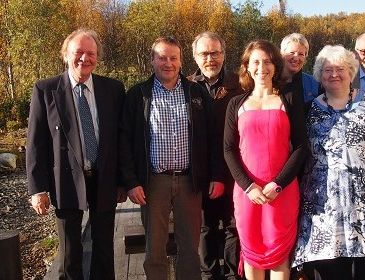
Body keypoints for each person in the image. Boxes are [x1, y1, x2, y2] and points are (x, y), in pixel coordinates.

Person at [292, 45, 365, 280]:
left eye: (340, 68)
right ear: (319, 75)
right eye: (327, 69)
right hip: (325, 208)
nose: (334, 74)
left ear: (351, 72)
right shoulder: (308, 111)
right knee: (333, 270)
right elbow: (298, 153)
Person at [26, 28, 126, 279]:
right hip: (66, 180)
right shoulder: (46, 89)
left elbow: (121, 139)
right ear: (66, 55)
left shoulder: (113, 89)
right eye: (78, 52)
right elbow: (36, 142)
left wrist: (124, 181)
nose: (85, 59)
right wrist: (37, 189)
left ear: (98, 57)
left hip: (104, 179)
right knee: (71, 251)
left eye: (91, 53)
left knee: (104, 248)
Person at [119, 36, 209, 280]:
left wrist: (208, 175)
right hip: (153, 182)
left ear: (181, 61)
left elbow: (209, 137)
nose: (168, 63)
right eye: (162, 58)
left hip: (190, 181)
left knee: (190, 247)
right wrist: (131, 182)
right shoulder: (138, 94)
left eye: (173, 58)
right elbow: (124, 141)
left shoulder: (196, 93)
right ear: (152, 60)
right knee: (155, 248)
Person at [224, 40, 307, 280]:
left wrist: (278, 183)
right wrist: (248, 186)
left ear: (276, 65)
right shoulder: (235, 104)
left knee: (279, 255)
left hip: (281, 191)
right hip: (247, 192)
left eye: (268, 61)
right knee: (252, 253)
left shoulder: (288, 100)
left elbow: (301, 147)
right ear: (247, 67)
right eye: (256, 62)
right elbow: (228, 150)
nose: (262, 67)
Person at [189, 31, 243, 280]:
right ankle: (209, 275)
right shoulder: (186, 86)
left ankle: (233, 274)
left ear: (224, 54)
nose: (210, 58)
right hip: (199, 171)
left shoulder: (241, 85)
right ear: (195, 57)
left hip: (235, 169)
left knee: (234, 226)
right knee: (205, 227)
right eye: (204, 53)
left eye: (215, 53)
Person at [280, 33, 319, 104]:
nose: (296, 58)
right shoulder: (272, 81)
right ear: (282, 54)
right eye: (292, 53)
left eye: (301, 54)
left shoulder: (314, 84)